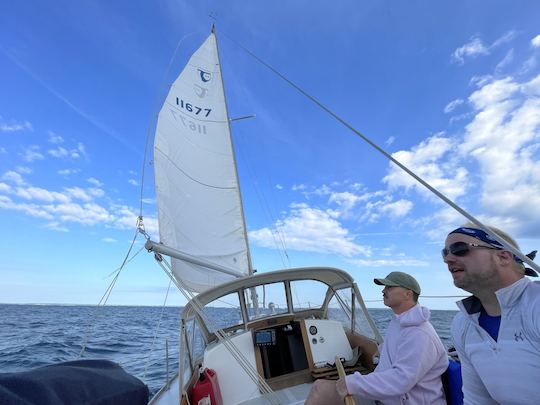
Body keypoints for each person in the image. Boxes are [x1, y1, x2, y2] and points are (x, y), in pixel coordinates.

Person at [305, 271, 447, 405]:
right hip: (388, 397)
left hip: (404, 400)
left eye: (389, 287)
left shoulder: (420, 334)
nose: (384, 290)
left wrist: (351, 383)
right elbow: (398, 346)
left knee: (320, 390)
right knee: (320, 387)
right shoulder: (399, 323)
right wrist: (381, 349)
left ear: (408, 294)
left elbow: (400, 381)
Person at [444, 224, 540, 404]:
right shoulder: (463, 323)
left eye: (459, 249)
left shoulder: (536, 305)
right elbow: (477, 400)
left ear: (503, 256)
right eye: (445, 252)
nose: (448, 259)